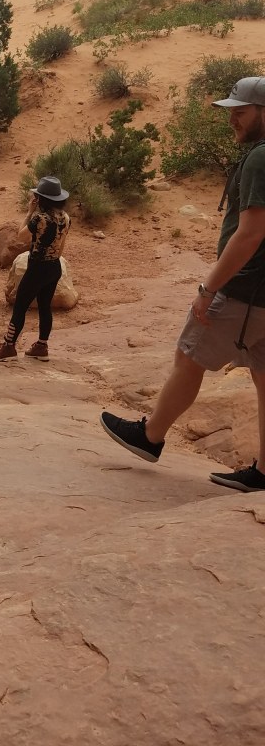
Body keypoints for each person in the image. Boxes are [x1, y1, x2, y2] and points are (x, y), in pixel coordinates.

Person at [101, 77, 265, 492]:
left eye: (241, 112)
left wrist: (209, 289)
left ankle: (150, 436)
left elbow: (250, 233)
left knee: (189, 356)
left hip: (244, 290)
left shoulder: (261, 158)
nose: (232, 120)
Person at [0, 176, 71, 362]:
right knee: (45, 307)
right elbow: (61, 246)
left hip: (37, 268)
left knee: (20, 306)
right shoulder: (65, 218)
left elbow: (21, 237)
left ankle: (9, 345)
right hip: (54, 267)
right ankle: (42, 346)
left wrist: (29, 213)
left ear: (42, 199)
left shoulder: (39, 218)